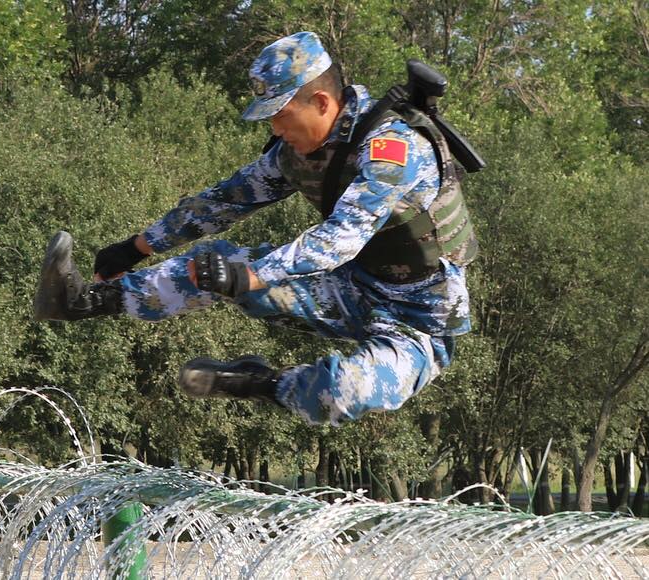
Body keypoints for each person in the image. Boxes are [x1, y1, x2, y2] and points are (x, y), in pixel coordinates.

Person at [33, 31, 478, 427]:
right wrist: (139, 246)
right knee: (209, 270)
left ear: (322, 102)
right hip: (349, 289)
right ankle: (82, 302)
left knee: (339, 393)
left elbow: (342, 235)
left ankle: (258, 383)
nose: (275, 128)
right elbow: (227, 200)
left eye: (281, 114)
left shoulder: (393, 149)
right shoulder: (296, 151)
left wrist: (251, 277)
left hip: (418, 322)